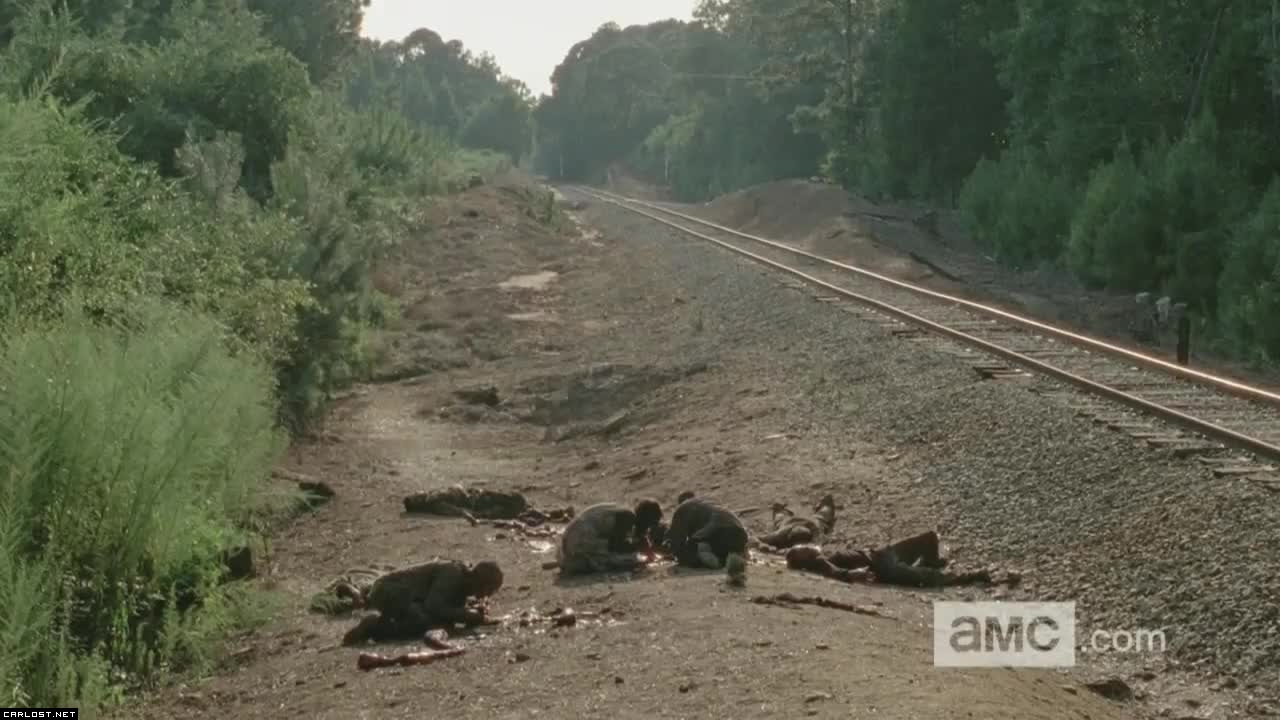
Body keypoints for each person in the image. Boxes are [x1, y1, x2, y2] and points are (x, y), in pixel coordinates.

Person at [342, 559, 504, 645]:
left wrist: (472, 613)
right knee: (423, 621)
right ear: (480, 581)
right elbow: (434, 606)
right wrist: (467, 615)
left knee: (440, 624)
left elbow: (449, 610)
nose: (488, 595)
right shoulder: (453, 574)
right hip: (390, 590)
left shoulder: (463, 585)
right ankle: (374, 626)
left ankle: (380, 626)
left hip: (410, 596)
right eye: (490, 589)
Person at [558, 501, 661, 575]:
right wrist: (638, 547)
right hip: (578, 539)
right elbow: (616, 546)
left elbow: (637, 536)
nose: (649, 529)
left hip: (572, 538)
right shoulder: (627, 517)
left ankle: (575, 564)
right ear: (646, 519)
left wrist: (642, 543)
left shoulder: (624, 512)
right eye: (651, 524)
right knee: (624, 560)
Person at [664, 497, 749, 569]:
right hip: (740, 536)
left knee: (689, 552)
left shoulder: (681, 512)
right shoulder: (705, 504)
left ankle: (718, 561)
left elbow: (677, 542)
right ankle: (732, 556)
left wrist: (675, 553)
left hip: (724, 534)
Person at [759, 494, 836, 549]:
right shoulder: (781, 534)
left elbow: (819, 543)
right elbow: (760, 539)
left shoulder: (815, 530)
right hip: (789, 522)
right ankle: (780, 509)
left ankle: (826, 503)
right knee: (780, 519)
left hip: (811, 522)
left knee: (822, 516)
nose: (801, 545)